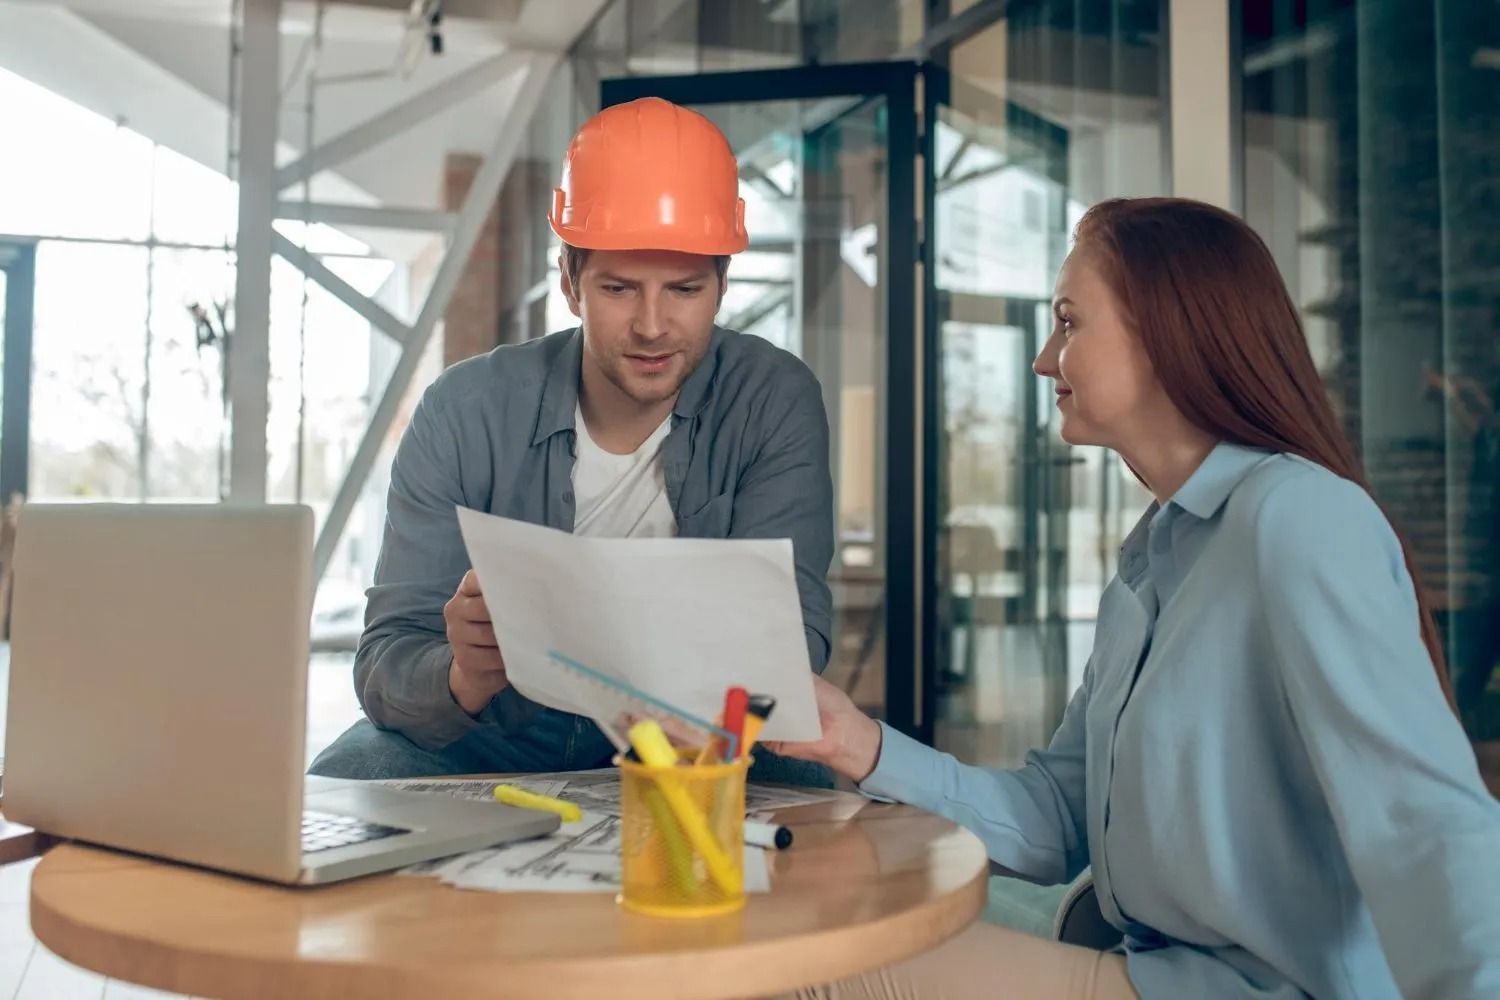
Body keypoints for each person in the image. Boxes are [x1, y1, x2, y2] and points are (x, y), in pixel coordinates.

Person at [770, 198, 1500, 998]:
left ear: (1165, 334)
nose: (1044, 360)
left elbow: (1422, 826)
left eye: (1068, 323)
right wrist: (858, 743)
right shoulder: (1154, 560)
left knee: (817, 965)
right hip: (1144, 962)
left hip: (1237, 989)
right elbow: (1056, 818)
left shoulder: (1301, 518)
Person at [311, 97, 834, 787]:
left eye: (684, 290)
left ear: (721, 285)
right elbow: (387, 659)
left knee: (809, 788)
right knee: (351, 773)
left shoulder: (772, 398)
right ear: (569, 282)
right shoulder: (464, 410)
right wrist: (463, 674)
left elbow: (796, 641)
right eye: (619, 288)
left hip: (692, 729)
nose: (653, 326)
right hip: (501, 729)